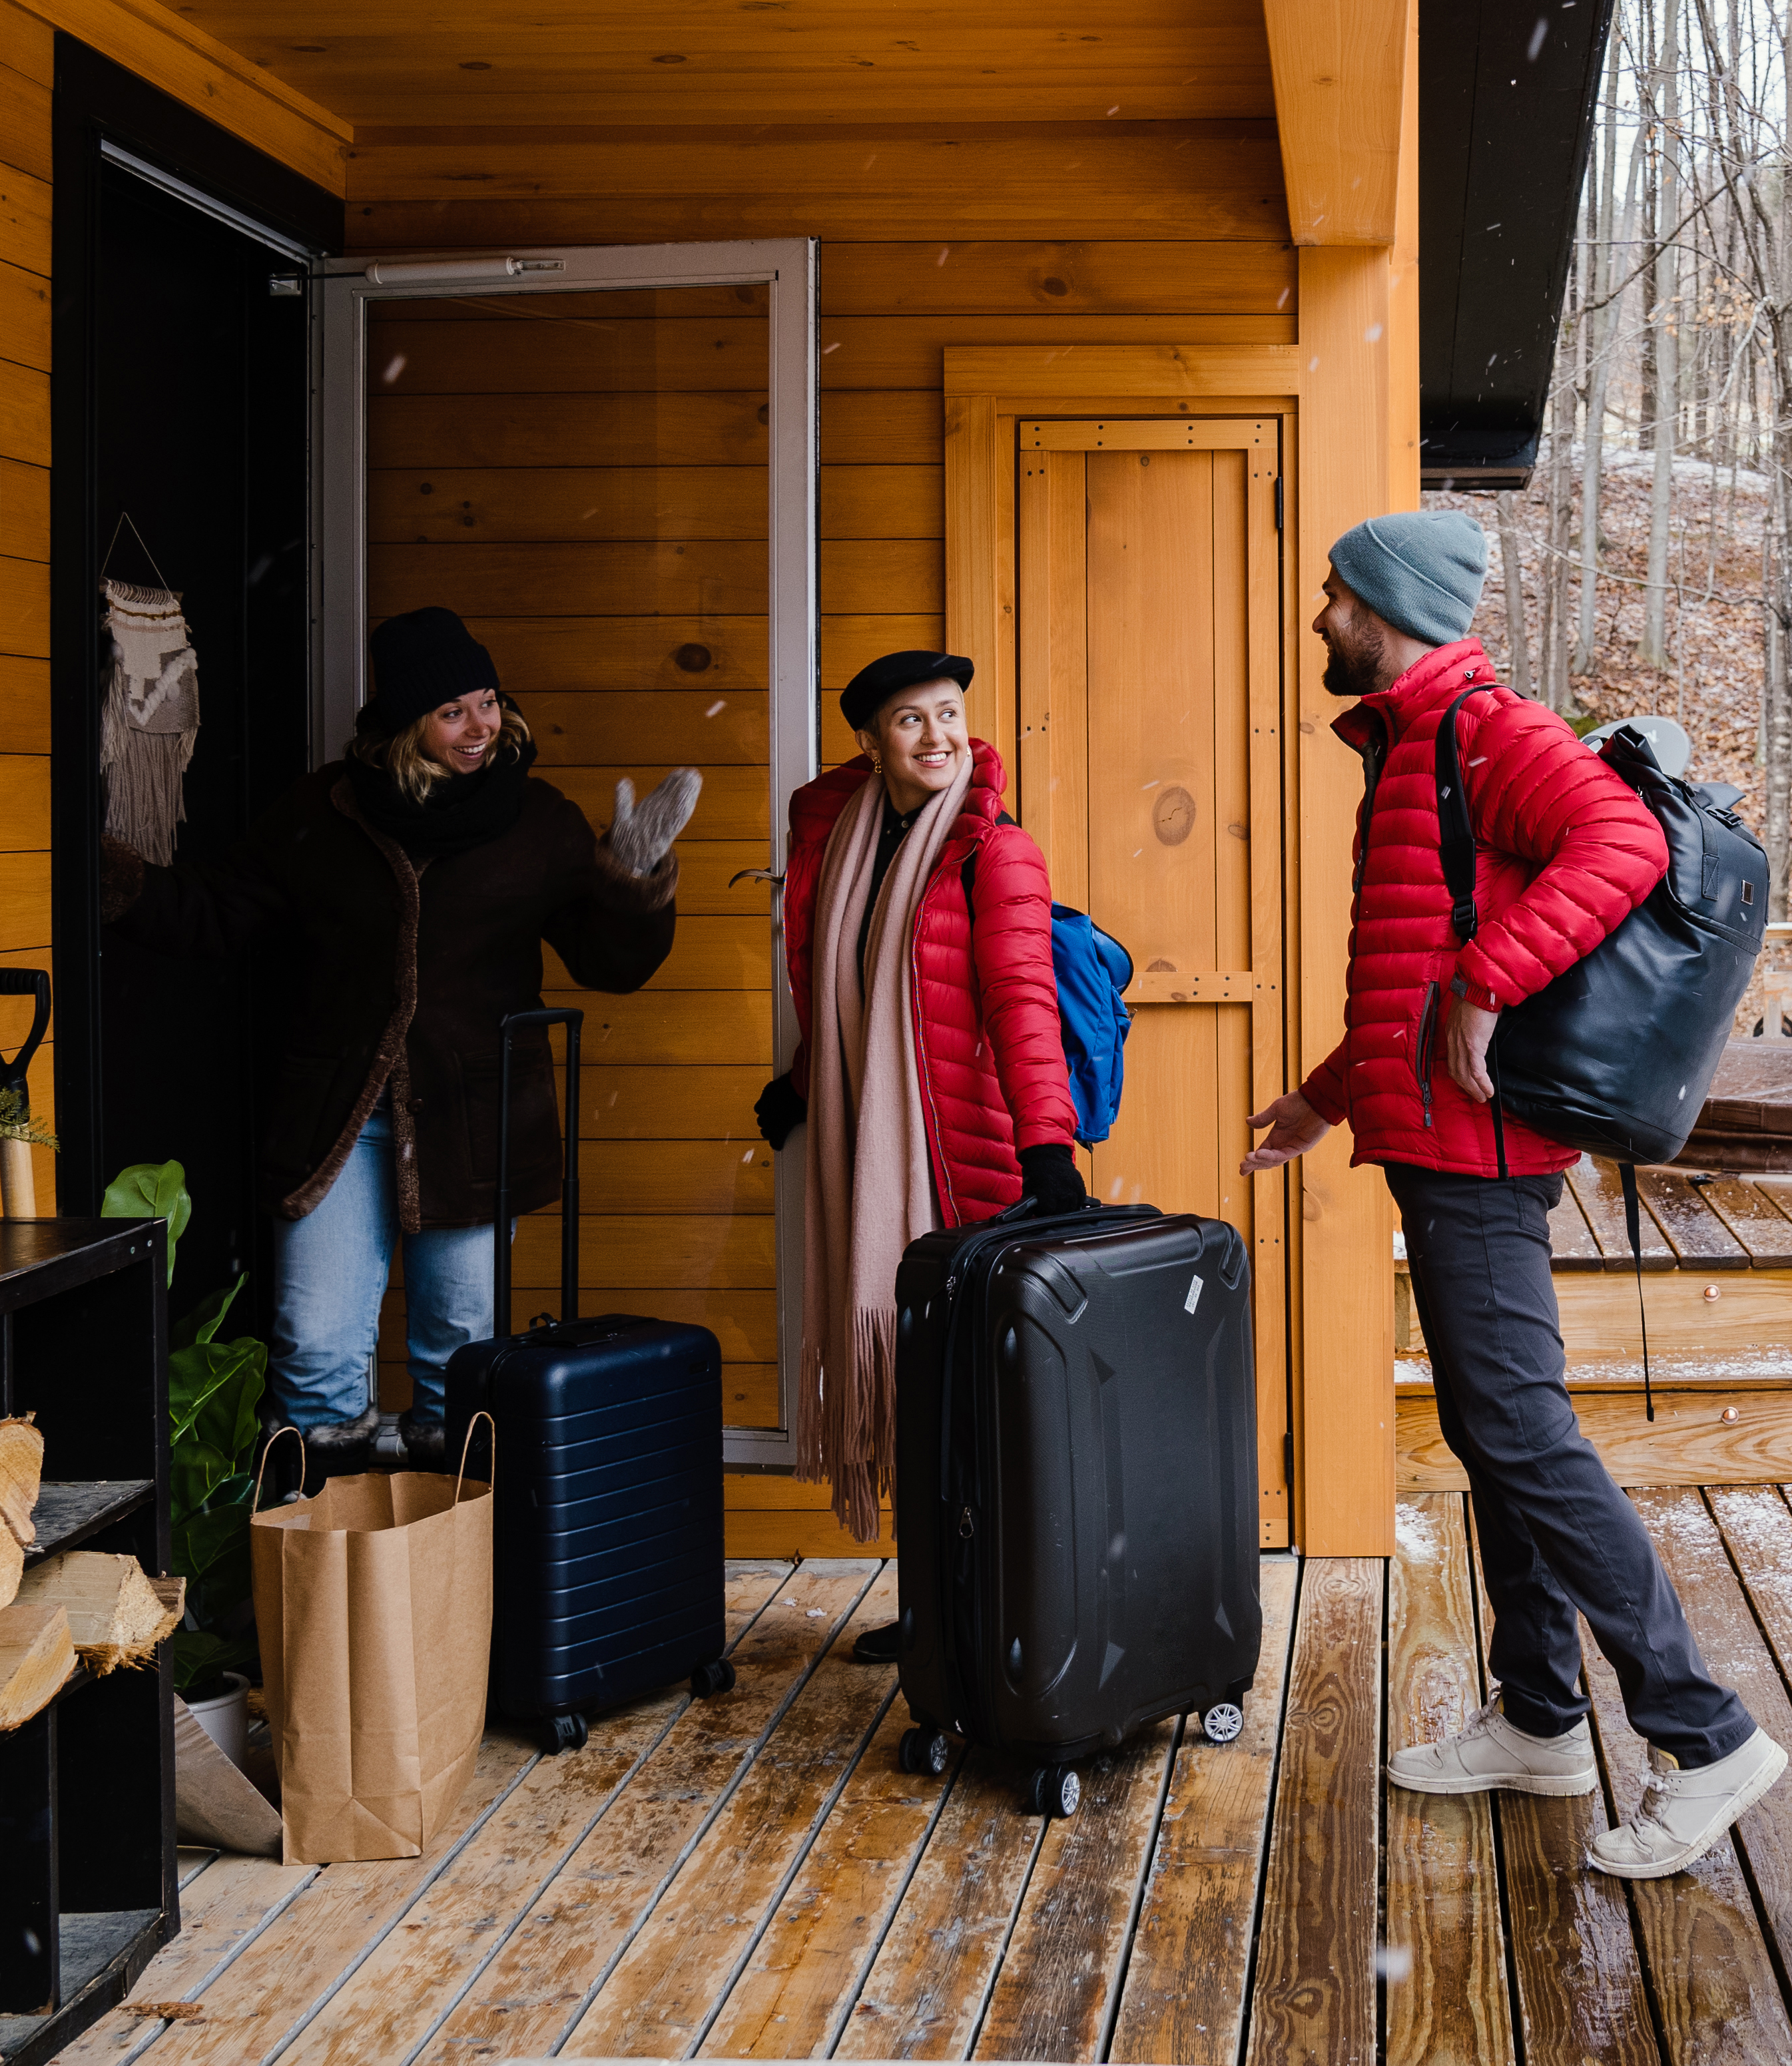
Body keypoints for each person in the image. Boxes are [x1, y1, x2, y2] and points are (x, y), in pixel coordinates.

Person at [1241, 512, 1789, 1878]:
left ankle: (1706, 1732)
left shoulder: (1493, 729)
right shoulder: (1419, 740)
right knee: (1496, 1433)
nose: (1320, 618)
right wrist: (1329, 1093)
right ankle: (1543, 1715)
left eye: (1334, 597)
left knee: (1523, 1430)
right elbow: (1410, 973)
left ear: (1388, 606)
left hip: (1482, 1152)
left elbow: (1622, 846)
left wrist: (1495, 978)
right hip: (1434, 1137)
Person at [107, 606, 695, 1468]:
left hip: (471, 1121)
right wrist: (118, 883)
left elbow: (611, 963)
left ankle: (448, 1577)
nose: (481, 727)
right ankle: (329, 1576)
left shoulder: (538, 822)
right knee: (313, 1347)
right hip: (341, 1117)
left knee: (461, 1351)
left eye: (489, 703)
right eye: (454, 711)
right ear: (406, 723)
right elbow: (222, 912)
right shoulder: (326, 812)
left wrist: (630, 881)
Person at [759, 650, 1085, 1579]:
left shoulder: (992, 848)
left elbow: (1023, 1001)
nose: (939, 736)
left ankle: (995, 1611)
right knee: (921, 1392)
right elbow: (837, 987)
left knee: (964, 1396)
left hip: (959, 1155)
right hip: (863, 1134)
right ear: (869, 742)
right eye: (911, 721)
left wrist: (1048, 1148)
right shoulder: (842, 840)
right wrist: (802, 1081)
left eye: (949, 714)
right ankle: (936, 1613)